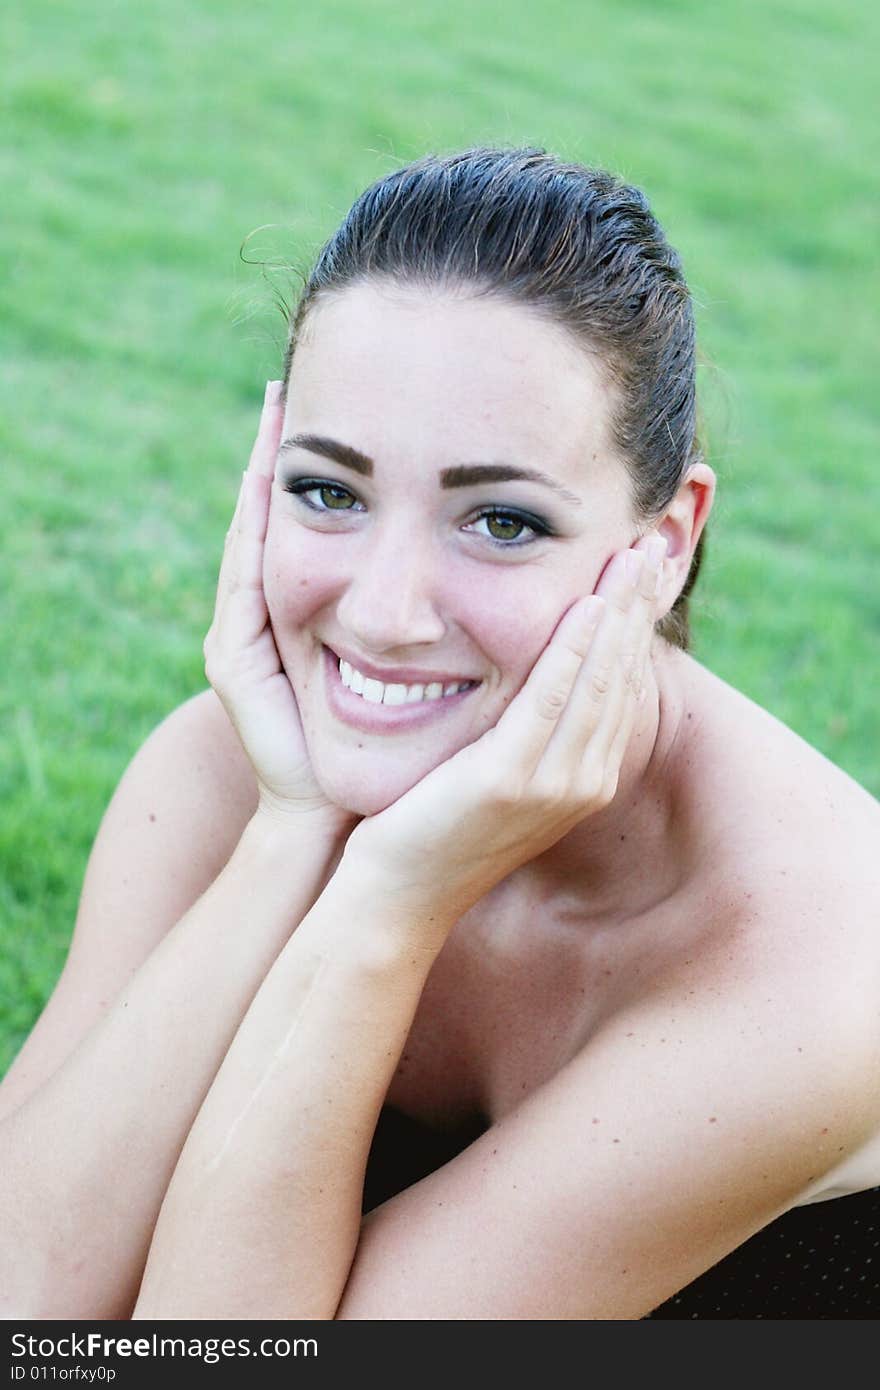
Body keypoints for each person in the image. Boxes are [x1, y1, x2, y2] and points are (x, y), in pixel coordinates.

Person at [2, 146, 878, 1322]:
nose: (379, 610)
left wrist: (380, 909)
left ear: (664, 540)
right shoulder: (222, 773)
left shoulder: (816, 963)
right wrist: (290, 837)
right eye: (328, 490)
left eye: (501, 520)